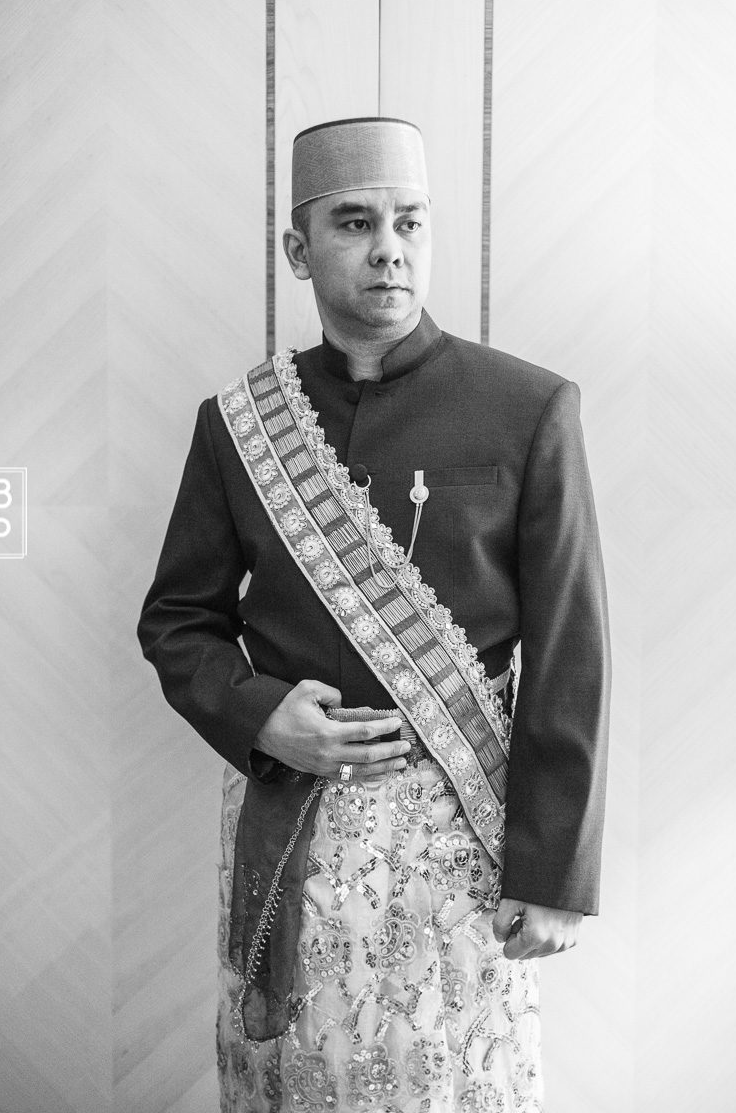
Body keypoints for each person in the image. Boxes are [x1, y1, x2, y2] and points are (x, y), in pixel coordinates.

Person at [137, 116, 610, 1112]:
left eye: (410, 222)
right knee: (293, 1081)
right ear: (298, 249)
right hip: (290, 816)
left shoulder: (529, 407)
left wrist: (556, 872)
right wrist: (260, 716)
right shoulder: (237, 425)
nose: (389, 248)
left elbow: (573, 651)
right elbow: (177, 620)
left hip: (463, 837)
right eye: (354, 223)